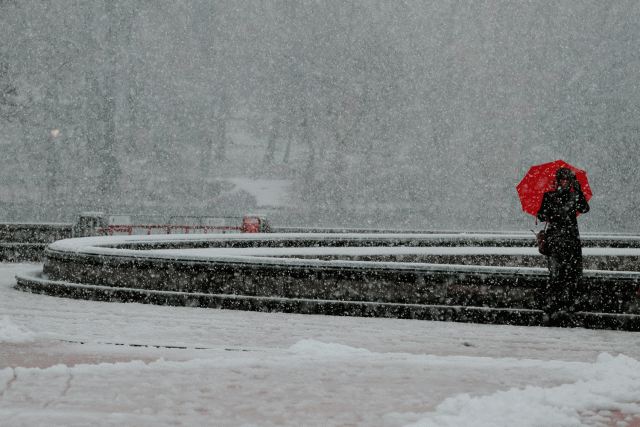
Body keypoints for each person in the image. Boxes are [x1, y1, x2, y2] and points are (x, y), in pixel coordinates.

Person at [536, 167, 590, 323]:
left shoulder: (574, 195)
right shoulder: (549, 196)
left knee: (572, 273)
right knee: (555, 274)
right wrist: (548, 212)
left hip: (571, 240)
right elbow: (541, 215)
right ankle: (553, 303)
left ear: (571, 181)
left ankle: (569, 303)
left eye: (568, 179)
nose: (565, 182)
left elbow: (584, 209)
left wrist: (579, 192)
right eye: (562, 179)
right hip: (555, 240)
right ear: (557, 180)